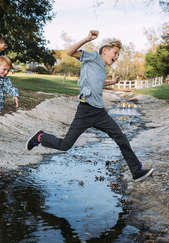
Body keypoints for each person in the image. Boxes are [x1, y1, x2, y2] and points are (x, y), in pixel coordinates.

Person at [26, 30, 154, 182]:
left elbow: (97, 84)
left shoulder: (102, 69)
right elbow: (70, 52)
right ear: (104, 51)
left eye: (118, 55)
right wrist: (87, 38)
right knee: (65, 145)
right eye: (115, 53)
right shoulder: (93, 56)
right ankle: (40, 137)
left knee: (121, 138)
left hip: (100, 113)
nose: (116, 57)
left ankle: (136, 171)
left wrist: (112, 83)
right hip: (85, 111)